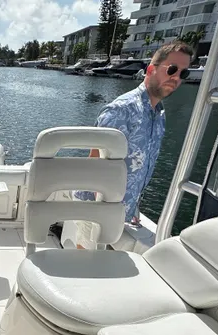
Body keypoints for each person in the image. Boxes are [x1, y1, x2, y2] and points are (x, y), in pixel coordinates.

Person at [75, 41, 193, 227]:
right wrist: (91, 223)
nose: (176, 77)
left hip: (123, 213)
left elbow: (139, 167)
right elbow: (95, 165)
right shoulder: (121, 111)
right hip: (96, 213)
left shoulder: (159, 113)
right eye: (172, 69)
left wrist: (133, 207)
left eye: (183, 73)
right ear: (151, 69)